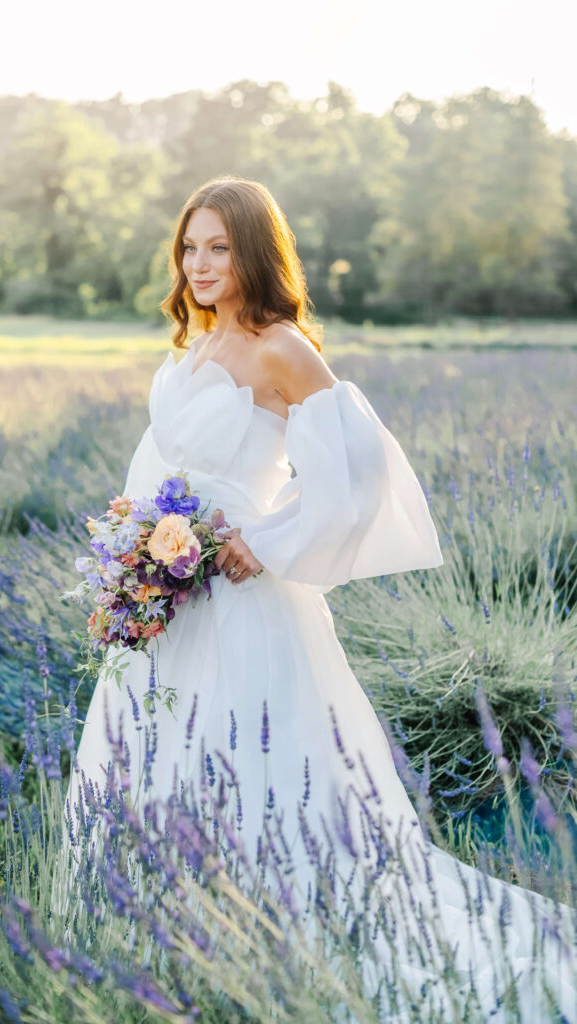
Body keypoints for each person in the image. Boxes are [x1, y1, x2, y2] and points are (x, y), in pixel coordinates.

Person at [60, 176, 576, 1020]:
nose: (199, 262)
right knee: (158, 754)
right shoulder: (190, 348)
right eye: (189, 246)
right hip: (166, 607)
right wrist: (132, 558)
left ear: (254, 251)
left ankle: (280, 935)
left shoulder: (280, 347)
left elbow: (358, 471)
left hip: (242, 606)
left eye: (219, 246)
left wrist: (263, 542)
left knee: (258, 766)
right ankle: (172, 930)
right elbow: (159, 469)